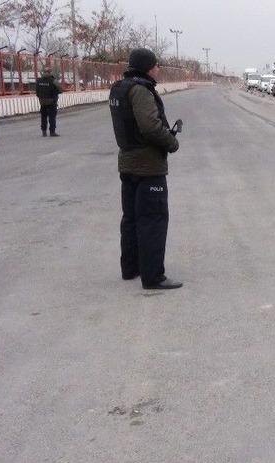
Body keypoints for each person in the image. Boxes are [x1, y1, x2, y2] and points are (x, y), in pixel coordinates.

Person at [109, 48, 183, 290]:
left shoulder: (120, 87)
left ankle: (130, 268)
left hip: (128, 162)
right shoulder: (140, 90)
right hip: (148, 167)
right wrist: (171, 142)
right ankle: (153, 276)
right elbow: (150, 127)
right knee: (152, 219)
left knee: (130, 218)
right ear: (148, 67)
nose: (158, 68)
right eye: (156, 65)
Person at [36, 67, 62, 137]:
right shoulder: (53, 80)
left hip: (42, 102)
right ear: (50, 72)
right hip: (52, 102)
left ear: (43, 72)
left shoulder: (38, 81)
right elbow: (60, 90)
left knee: (43, 117)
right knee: (52, 117)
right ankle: (52, 132)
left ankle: (44, 132)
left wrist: (41, 97)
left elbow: (37, 92)